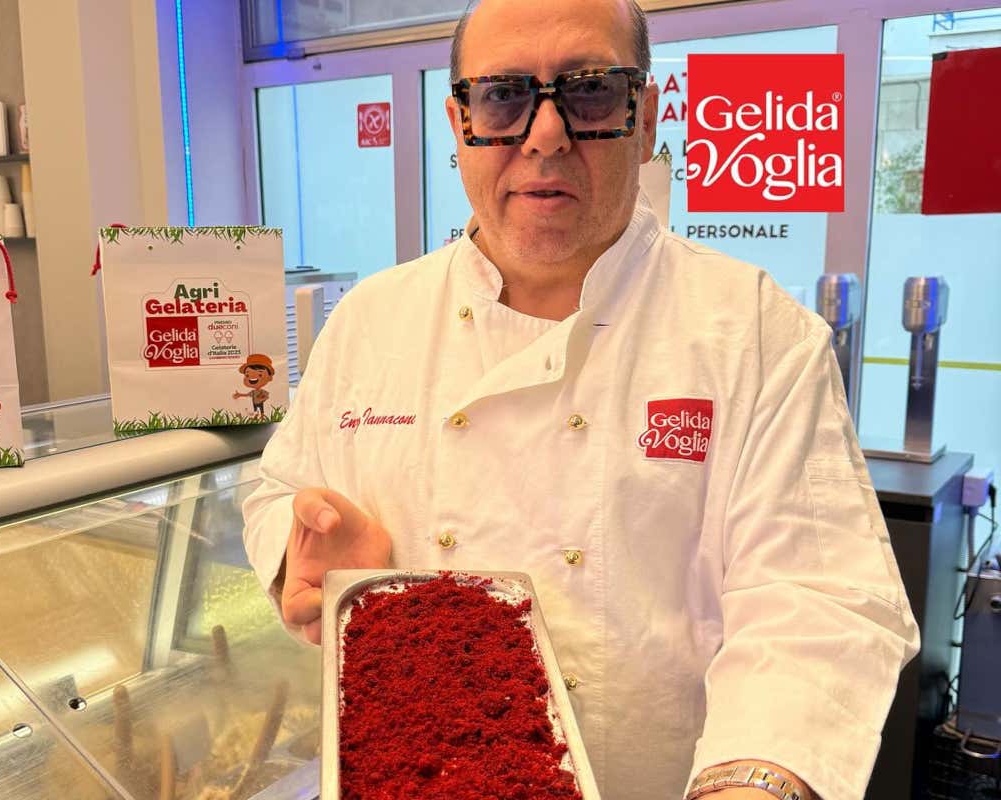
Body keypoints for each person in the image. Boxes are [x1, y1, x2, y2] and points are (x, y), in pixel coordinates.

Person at [242, 1, 918, 798]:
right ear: (459, 123)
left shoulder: (757, 333)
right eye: (503, 96)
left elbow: (815, 604)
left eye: (589, 90)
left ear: (647, 115)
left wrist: (751, 785)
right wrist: (301, 552)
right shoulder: (371, 321)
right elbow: (278, 488)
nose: (545, 135)